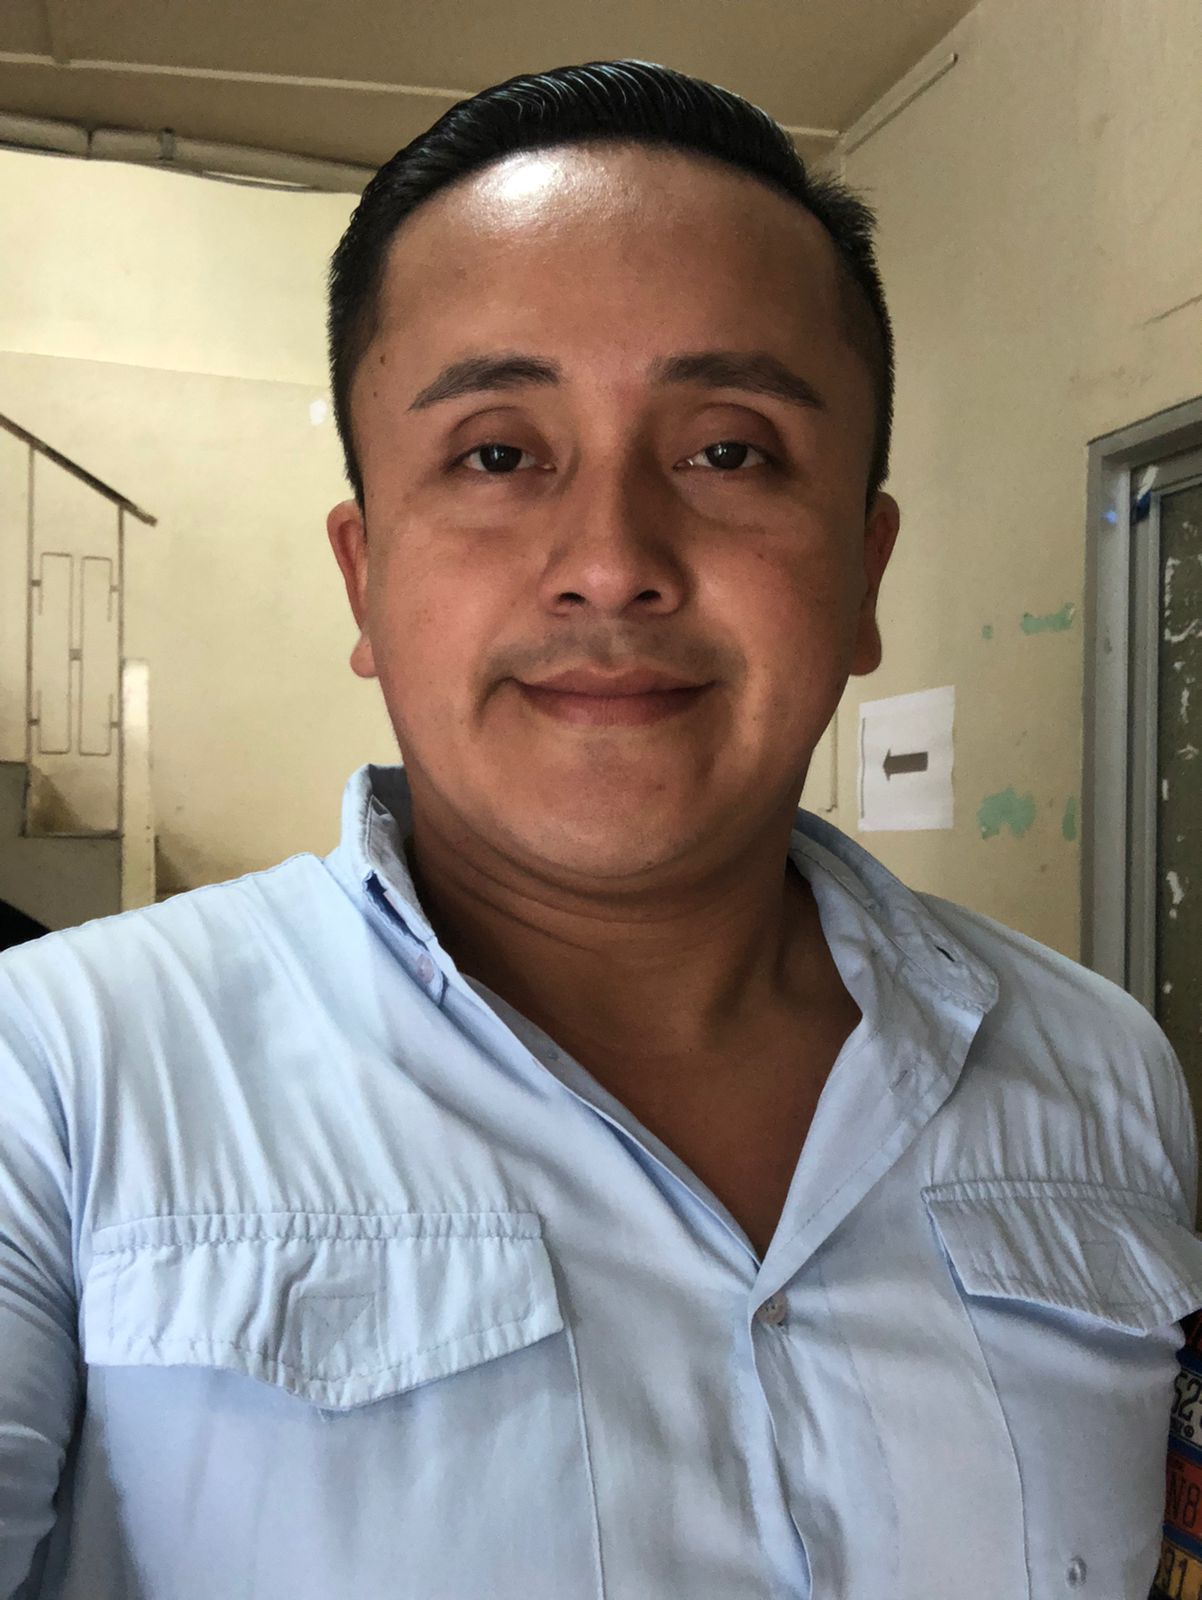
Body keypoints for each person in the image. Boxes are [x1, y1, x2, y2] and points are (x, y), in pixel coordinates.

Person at [0, 58, 1197, 1600]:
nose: (612, 559)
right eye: (496, 454)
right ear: (365, 576)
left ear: (862, 571)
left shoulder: (1099, 1069)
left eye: (727, 450)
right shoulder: (58, 1082)